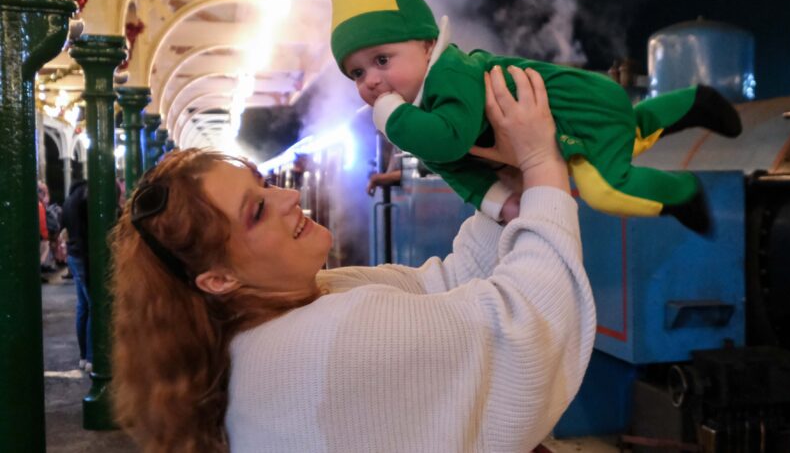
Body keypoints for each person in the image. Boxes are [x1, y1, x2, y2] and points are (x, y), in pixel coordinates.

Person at [110, 66, 596, 453]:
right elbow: (525, 323)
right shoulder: (324, 341)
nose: (285, 197)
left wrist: (505, 196)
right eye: (256, 210)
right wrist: (541, 163)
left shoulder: (290, 311)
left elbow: (445, 283)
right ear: (217, 279)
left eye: (263, 183)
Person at [330, 0, 742, 231]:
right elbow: (455, 167)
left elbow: (449, 140)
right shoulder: (428, 114)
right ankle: (695, 101)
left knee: (605, 189)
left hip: (578, 108)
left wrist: (391, 117)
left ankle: (683, 192)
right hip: (585, 110)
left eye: (383, 60)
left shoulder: (450, 74)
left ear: (426, 45)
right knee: (634, 130)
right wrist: (502, 205)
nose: (370, 81)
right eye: (357, 72)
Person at [61, 179, 93, 373]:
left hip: (73, 254)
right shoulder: (84, 198)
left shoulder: (69, 199)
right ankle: (91, 357)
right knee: (94, 305)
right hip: (83, 254)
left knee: (83, 306)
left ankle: (83, 356)